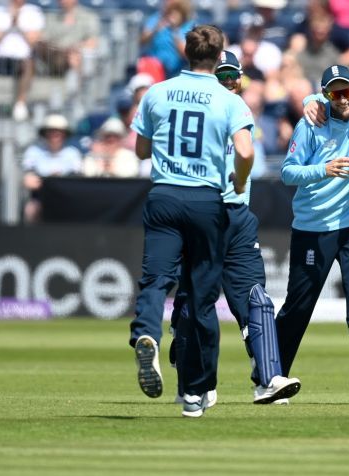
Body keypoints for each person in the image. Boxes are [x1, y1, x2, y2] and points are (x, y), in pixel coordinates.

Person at [128, 25, 255, 418]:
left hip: (164, 194)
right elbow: (245, 151)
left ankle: (146, 331)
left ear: (185, 53)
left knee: (156, 279)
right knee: (202, 299)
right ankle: (196, 393)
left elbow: (140, 150)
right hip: (205, 200)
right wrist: (241, 177)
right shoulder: (228, 98)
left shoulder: (157, 92)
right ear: (220, 57)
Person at [170, 50, 301, 407]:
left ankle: (269, 378)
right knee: (194, 301)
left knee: (256, 298)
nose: (227, 83)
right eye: (220, 76)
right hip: (201, 215)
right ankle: (196, 381)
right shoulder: (193, 113)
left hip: (239, 218)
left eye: (232, 77)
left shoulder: (243, 114)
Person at [276, 64, 349, 404]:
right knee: (299, 306)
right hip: (313, 226)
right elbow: (288, 172)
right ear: (325, 95)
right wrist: (324, 169)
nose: (343, 98)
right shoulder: (311, 121)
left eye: (347, 89)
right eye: (334, 92)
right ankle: (270, 375)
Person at [21, 114, 82, 223]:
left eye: (58, 131)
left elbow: (76, 178)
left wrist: (57, 180)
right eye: (51, 131)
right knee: (31, 210)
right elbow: (29, 179)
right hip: (41, 198)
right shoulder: (34, 151)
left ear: (65, 134)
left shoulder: (73, 154)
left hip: (66, 199)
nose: (55, 134)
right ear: (45, 133)